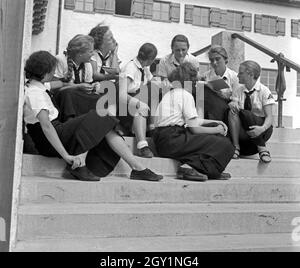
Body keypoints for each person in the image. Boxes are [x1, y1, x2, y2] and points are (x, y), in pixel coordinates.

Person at [24, 51, 163, 182]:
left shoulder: (38, 85)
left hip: (57, 130)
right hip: (48, 140)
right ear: (45, 72)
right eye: (52, 70)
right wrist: (65, 156)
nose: (54, 72)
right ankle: (80, 163)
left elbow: (59, 83)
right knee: (100, 116)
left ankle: (137, 167)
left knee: (105, 124)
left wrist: (76, 86)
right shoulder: (35, 93)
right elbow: (47, 127)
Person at [152, 62, 234, 181]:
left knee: (214, 136)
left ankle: (210, 169)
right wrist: (217, 129)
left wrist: (215, 122)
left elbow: (194, 120)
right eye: (194, 81)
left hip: (163, 139)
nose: (196, 84)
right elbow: (194, 128)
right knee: (226, 144)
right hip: (172, 138)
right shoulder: (185, 95)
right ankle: (194, 168)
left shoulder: (172, 93)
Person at [228, 60, 275, 163]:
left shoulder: (264, 91)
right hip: (245, 134)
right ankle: (236, 146)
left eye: (240, 73)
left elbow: (270, 117)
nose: (237, 75)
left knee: (246, 114)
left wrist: (261, 128)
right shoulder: (238, 90)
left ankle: (262, 148)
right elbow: (234, 105)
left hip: (262, 130)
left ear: (250, 74)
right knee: (233, 111)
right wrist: (233, 104)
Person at [120, 43, 160, 158]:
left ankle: (152, 127)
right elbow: (122, 95)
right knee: (142, 100)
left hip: (136, 102)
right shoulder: (130, 68)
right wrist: (139, 103)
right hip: (124, 106)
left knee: (154, 88)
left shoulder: (144, 67)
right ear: (151, 60)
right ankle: (142, 146)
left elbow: (153, 82)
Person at [200, 45, 239, 122]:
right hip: (209, 109)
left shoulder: (235, 77)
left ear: (226, 59)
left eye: (217, 59)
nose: (214, 63)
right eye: (211, 60)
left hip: (226, 109)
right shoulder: (205, 76)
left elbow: (235, 100)